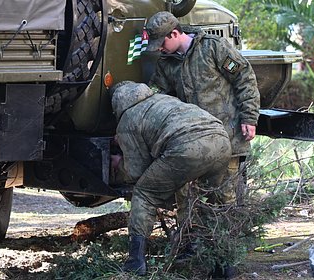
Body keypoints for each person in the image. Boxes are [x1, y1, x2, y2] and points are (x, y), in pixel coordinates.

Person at [110, 81, 231, 275]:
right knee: (211, 202)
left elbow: (135, 171)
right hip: (222, 141)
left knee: (144, 194)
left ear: (117, 103)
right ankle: (224, 263)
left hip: (188, 149)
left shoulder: (128, 117)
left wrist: (118, 164)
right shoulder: (163, 100)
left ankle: (135, 262)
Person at [146, 11, 260, 205]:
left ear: (174, 34)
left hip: (227, 136)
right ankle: (197, 235)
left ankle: (229, 234)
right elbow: (159, 99)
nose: (159, 50)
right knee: (194, 201)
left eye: (162, 44)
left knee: (225, 196)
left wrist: (249, 117)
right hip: (194, 143)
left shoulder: (213, 48)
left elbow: (244, 78)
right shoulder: (166, 64)